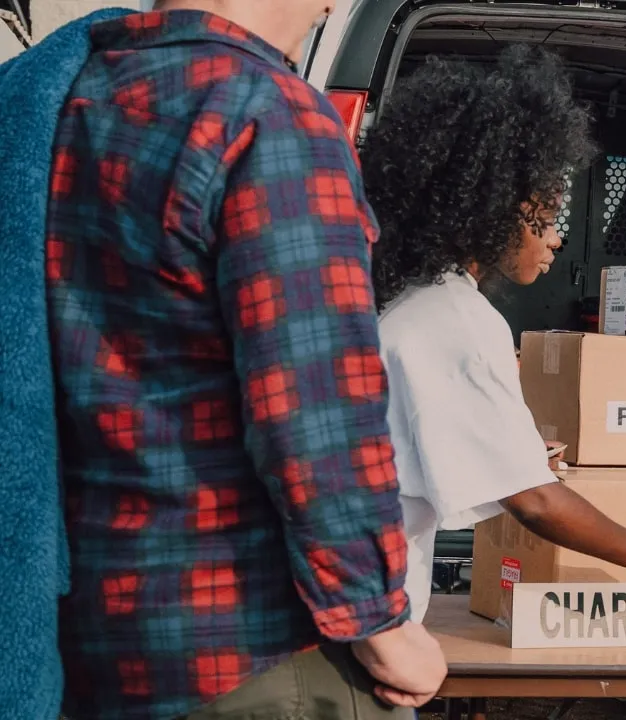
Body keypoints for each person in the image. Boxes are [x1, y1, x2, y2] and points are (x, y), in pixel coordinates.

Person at [38, 2, 447, 718]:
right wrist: (380, 620)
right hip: (252, 646)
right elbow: (317, 411)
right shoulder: (268, 116)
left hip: (88, 640)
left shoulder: (63, 100)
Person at [361, 46, 626, 625]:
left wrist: (520, 454)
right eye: (547, 218)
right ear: (490, 209)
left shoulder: (411, 301)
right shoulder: (459, 322)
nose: (555, 239)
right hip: (368, 614)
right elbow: (534, 501)